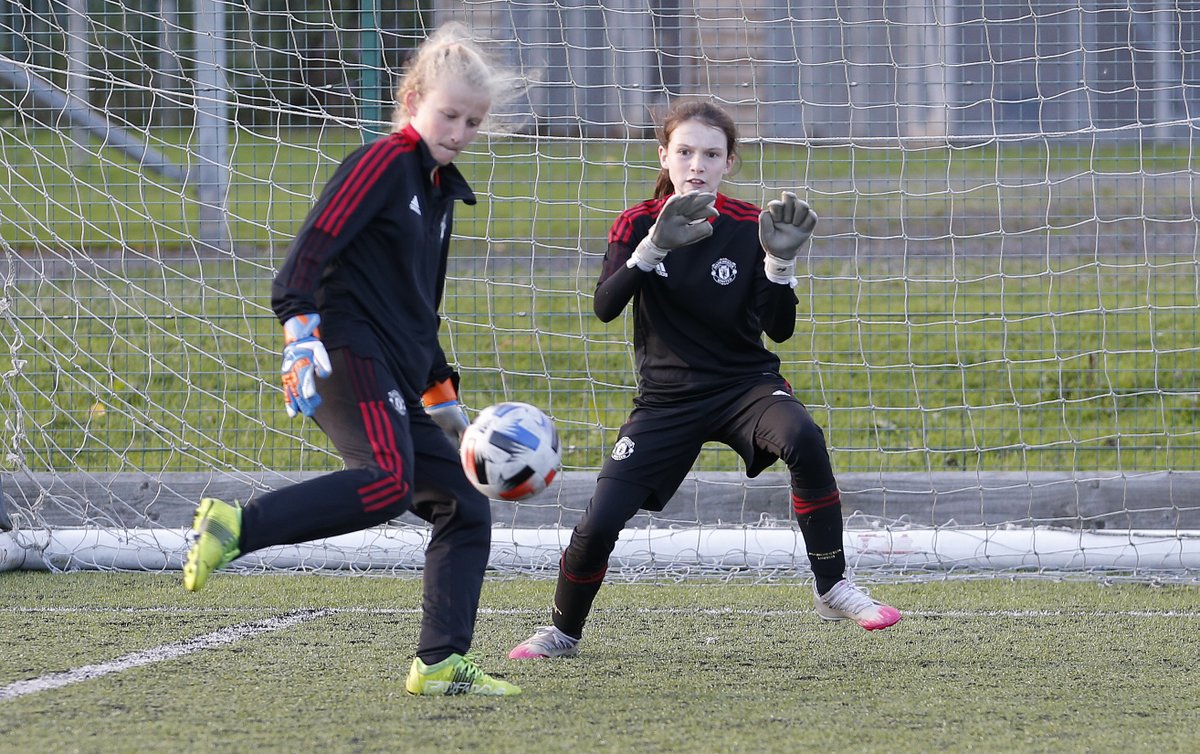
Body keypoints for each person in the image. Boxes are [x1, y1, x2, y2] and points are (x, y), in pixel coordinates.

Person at [182, 22, 522, 696]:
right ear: (411, 101)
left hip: (395, 364)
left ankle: (440, 662)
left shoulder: (442, 191)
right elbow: (312, 247)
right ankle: (236, 525)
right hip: (342, 347)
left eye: (472, 121)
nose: (458, 129)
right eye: (448, 113)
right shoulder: (384, 161)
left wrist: (444, 400)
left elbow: (417, 310)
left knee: (464, 504)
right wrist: (298, 330)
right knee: (386, 482)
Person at [509, 99, 901, 660]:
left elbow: (779, 329)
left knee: (803, 436)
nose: (697, 163)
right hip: (666, 399)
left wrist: (779, 264)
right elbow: (604, 306)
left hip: (744, 386)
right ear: (664, 155)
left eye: (711, 154)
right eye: (686, 151)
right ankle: (562, 632)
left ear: (729, 163)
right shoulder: (638, 222)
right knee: (599, 522)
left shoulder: (749, 225)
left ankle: (832, 586)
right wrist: (654, 248)